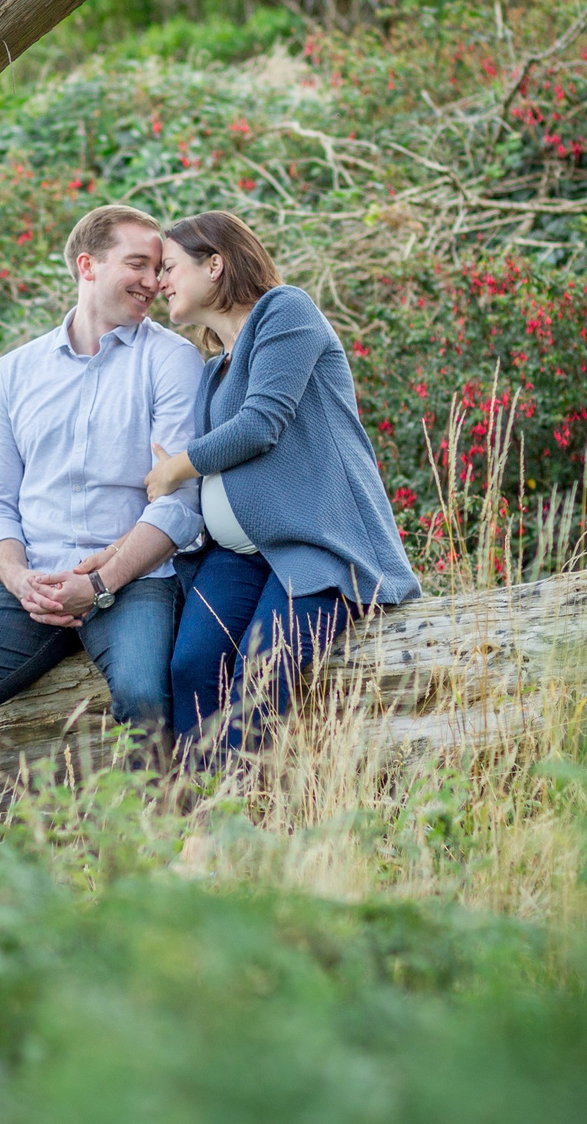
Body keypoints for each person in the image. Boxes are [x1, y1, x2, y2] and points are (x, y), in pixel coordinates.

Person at [0, 204, 205, 785]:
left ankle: (162, 859)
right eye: (137, 263)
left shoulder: (171, 361)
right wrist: (19, 579)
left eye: (158, 267)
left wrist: (97, 584)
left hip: (133, 582)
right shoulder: (16, 372)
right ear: (87, 265)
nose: (153, 280)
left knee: (146, 699)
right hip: (30, 586)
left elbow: (179, 506)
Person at [142, 210, 420, 765]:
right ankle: (200, 814)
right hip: (239, 558)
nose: (159, 283)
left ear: (215, 264)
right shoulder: (215, 365)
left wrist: (175, 469)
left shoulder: (284, 310)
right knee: (191, 665)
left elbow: (260, 424)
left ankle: (242, 822)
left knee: (264, 665)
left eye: (169, 267)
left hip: (313, 546)